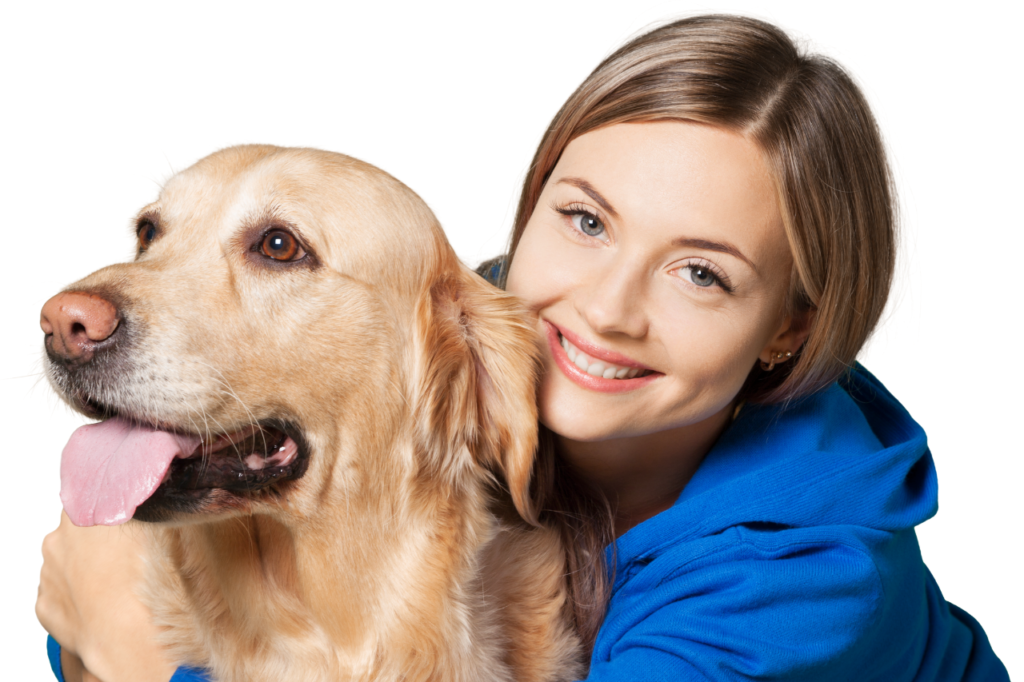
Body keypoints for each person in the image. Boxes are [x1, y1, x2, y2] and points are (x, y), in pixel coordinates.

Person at [36, 14, 1009, 681]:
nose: (604, 310)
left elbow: (108, 617)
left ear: (790, 326)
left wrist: (139, 652)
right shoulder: (471, 335)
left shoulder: (794, 590)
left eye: (700, 273)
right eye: (586, 221)